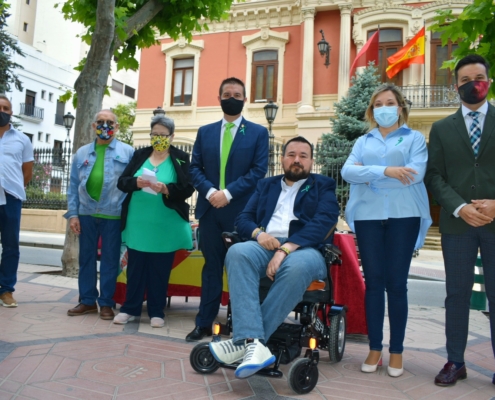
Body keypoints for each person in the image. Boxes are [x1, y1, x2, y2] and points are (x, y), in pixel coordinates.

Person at [208, 136, 339, 378]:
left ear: (311, 161)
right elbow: (243, 219)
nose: (297, 160)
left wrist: (286, 248)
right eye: (291, 154)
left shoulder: (323, 185)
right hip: (265, 245)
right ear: (282, 158)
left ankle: (244, 345)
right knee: (238, 252)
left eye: (303, 155)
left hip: (305, 250)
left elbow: (324, 222)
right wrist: (259, 234)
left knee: (296, 267)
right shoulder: (266, 185)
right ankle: (254, 343)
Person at [341, 84, 431, 378]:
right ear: (372, 110)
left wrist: (369, 175)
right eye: (378, 103)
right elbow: (347, 171)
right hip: (368, 217)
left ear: (400, 107)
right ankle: (375, 347)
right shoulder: (363, 142)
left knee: (397, 284)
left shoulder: (414, 138)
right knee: (374, 283)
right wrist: (388, 172)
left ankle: (397, 351)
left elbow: (415, 173)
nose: (384, 107)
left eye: (389, 102)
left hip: (404, 216)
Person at [425, 54, 495, 387]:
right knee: (457, 294)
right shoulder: (441, 129)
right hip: (457, 225)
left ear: (489, 81)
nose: (473, 84)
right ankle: (455, 361)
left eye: (478, 77)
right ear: (456, 87)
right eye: (465, 80)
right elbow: (435, 176)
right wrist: (459, 207)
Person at [187, 77, 269, 341]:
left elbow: (259, 171)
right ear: (219, 97)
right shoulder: (205, 131)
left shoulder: (258, 132)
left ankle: (244, 326)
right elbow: (194, 168)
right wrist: (212, 193)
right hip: (210, 211)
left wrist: (228, 193)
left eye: (237, 94)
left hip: (241, 213)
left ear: (245, 99)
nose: (231, 97)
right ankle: (204, 323)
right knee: (211, 268)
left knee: (243, 270)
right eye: (226, 93)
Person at [113, 116, 194, 328]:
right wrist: (136, 182)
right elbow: (122, 182)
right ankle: (130, 308)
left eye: (163, 135)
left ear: (172, 136)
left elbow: (188, 188)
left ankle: (157, 311)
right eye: (154, 134)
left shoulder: (181, 158)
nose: (158, 138)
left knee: (160, 269)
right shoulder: (139, 155)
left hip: (165, 224)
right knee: (136, 268)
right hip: (138, 221)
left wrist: (167, 189)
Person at [65, 109, 134, 320]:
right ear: (93, 126)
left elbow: (131, 185)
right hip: (86, 213)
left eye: (110, 122)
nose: (106, 126)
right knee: (85, 258)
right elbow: (73, 186)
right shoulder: (82, 153)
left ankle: (106, 303)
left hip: (113, 215)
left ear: (118, 127)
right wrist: (73, 215)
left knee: (110, 260)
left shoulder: (128, 152)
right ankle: (87, 301)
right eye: (101, 122)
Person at [0, 94, 34, 307]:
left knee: (11, 245)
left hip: (11, 198)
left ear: (11, 112)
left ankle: (6, 290)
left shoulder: (22, 139)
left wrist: (14, 187)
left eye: (5, 108)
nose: (1, 111)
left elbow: (27, 172)